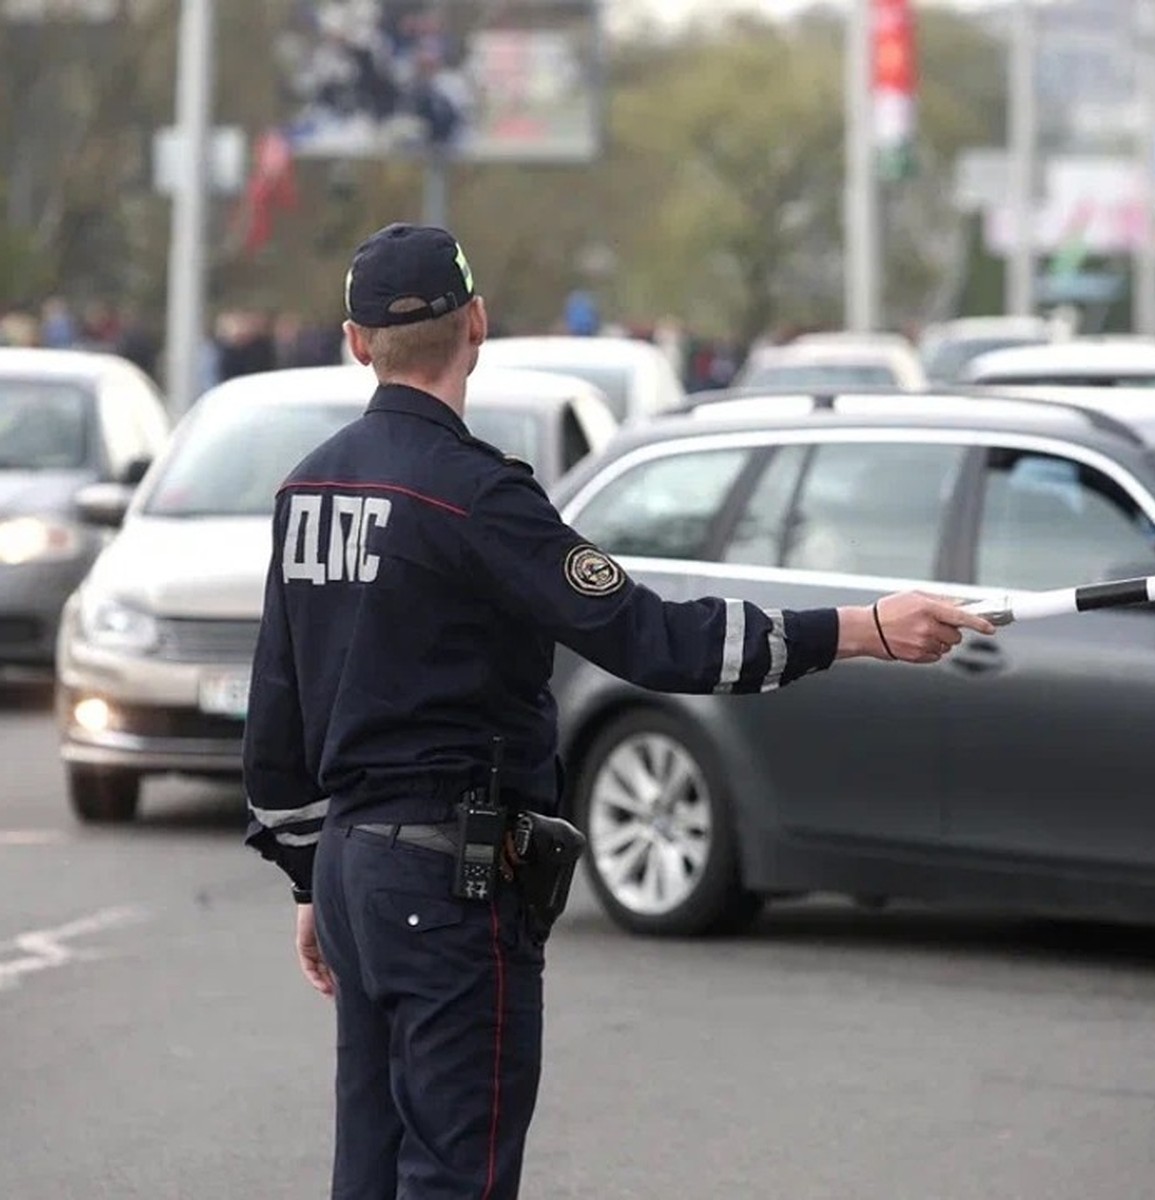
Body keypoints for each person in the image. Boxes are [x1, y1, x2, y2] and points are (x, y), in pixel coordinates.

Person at [242, 222, 996, 1200]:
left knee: (371, 1168)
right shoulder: (479, 497)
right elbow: (652, 638)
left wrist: (314, 879)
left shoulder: (307, 492)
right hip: (449, 887)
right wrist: (862, 629)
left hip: (355, 871)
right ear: (477, 323)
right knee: (454, 1178)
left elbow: (276, 716)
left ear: (354, 342)